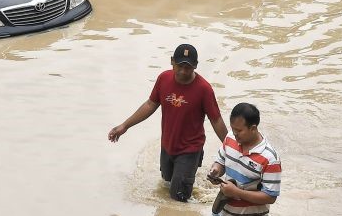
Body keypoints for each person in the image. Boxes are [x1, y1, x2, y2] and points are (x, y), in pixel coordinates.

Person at [108, 44, 228, 202]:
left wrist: (231, 147)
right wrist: (125, 126)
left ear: (196, 66)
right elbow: (150, 104)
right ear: (172, 61)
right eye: (179, 66)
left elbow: (216, 119)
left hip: (190, 150)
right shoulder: (163, 79)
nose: (183, 72)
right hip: (167, 147)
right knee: (166, 184)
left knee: (178, 197)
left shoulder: (204, 89)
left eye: (188, 68)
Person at [207, 103, 281, 215]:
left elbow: (270, 197)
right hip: (223, 212)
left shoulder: (270, 159)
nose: (235, 134)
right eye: (232, 129)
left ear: (253, 128)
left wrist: (236, 192)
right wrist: (216, 171)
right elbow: (220, 162)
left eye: (239, 130)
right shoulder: (230, 138)